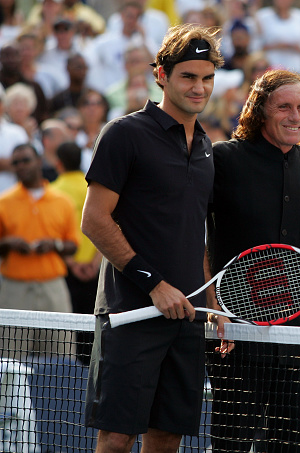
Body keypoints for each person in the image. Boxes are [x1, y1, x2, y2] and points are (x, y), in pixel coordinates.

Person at [81, 24, 223, 453]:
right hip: (131, 313)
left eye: (207, 78)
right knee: (118, 437)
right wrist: (154, 285)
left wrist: (211, 303)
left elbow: (195, 231)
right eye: (188, 77)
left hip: (188, 317)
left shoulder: (206, 146)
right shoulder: (124, 133)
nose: (199, 88)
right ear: (161, 74)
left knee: (167, 435)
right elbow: (94, 221)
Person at [206, 68, 300, 452]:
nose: (296, 115)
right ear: (259, 111)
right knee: (232, 445)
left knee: (291, 446)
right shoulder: (222, 159)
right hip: (236, 332)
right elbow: (193, 236)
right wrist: (213, 307)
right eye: (284, 107)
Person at [0, 142, 78, 358]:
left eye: (26, 160)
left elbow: (73, 245)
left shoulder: (62, 200)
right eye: (15, 163)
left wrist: (54, 245)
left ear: (39, 161)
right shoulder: (4, 202)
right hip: (14, 290)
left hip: (53, 288)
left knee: (61, 360)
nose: (21, 166)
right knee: (10, 361)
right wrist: (9, 243)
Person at [51, 140, 101, 364]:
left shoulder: (53, 192)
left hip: (69, 271)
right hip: (95, 269)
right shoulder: (93, 186)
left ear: (58, 163)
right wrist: (96, 262)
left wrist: (72, 263)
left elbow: (54, 234)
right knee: (93, 329)